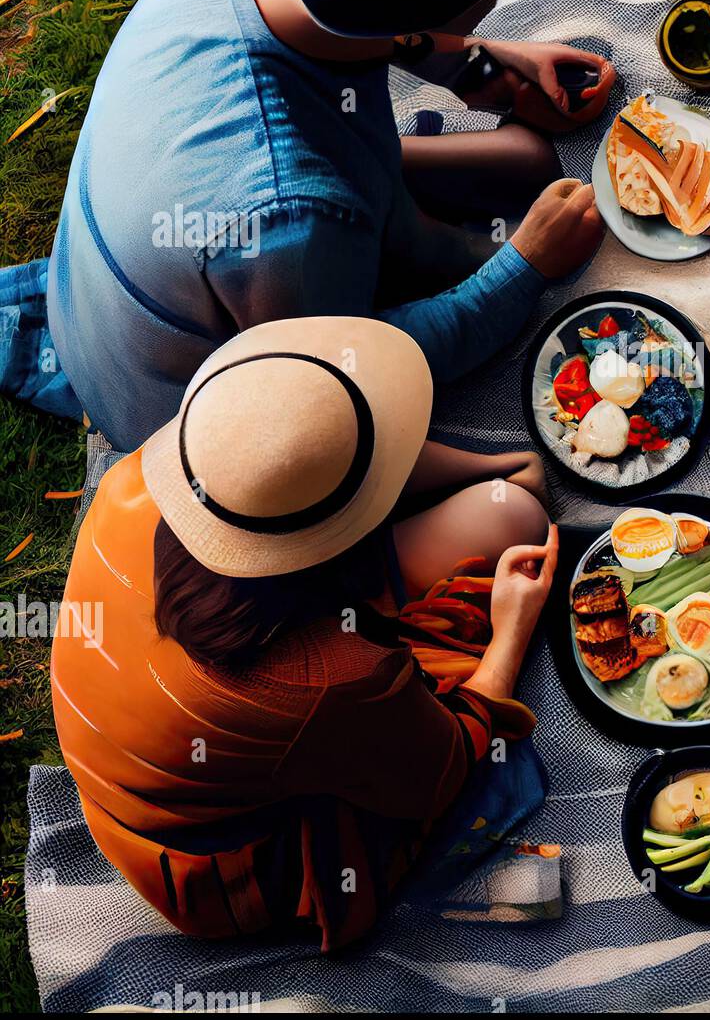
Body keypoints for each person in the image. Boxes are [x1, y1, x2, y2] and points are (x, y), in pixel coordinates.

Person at [45, 0, 610, 453]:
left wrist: (476, 65)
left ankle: (415, 231)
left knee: (524, 160)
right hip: (183, 408)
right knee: (503, 265)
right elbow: (344, 374)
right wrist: (524, 268)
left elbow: (350, 18)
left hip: (118, 283)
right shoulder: (290, 214)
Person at [51, 316, 557, 949]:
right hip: (220, 855)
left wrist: (498, 466)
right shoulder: (331, 676)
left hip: (154, 743)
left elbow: (348, 460)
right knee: (512, 528)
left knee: (509, 510)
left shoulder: (148, 476)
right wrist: (512, 628)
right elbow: (442, 772)